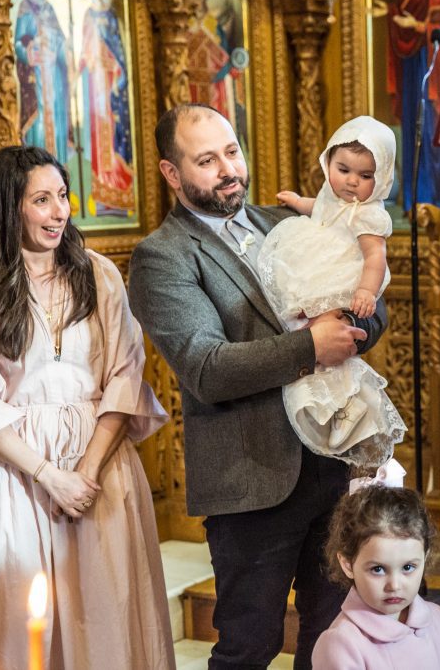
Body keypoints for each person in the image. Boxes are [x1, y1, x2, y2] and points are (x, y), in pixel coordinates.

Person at [127, 103, 387, 669]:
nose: (227, 169)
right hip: (251, 479)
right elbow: (206, 368)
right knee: (249, 645)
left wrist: (355, 322)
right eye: (206, 160)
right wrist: (309, 347)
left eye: (232, 151)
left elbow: (371, 307)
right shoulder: (162, 257)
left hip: (331, 461)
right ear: (172, 173)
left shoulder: (285, 221)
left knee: (335, 635)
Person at [0, 145, 173, 668]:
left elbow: (125, 375)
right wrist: (49, 475)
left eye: (62, 196)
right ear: (7, 207)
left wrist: (85, 471)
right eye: (41, 200)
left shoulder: (99, 274)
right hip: (14, 477)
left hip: (99, 469)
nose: (59, 212)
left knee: (105, 614)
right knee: (15, 621)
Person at [261, 116, 406, 468]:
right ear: (328, 163)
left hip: (340, 279)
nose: (352, 181)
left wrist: (366, 291)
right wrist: (297, 201)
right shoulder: (332, 197)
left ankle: (349, 406)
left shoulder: (369, 216)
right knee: (307, 339)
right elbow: (320, 208)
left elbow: (375, 257)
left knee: (329, 338)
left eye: (365, 176)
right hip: (312, 268)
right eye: (343, 169)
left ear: (382, 177)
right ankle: (326, 405)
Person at [312, 463, 440, 669]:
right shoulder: (341, 644)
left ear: (425, 556)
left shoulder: (439, 620)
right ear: (347, 563)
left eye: (408, 568)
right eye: (378, 569)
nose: (394, 585)